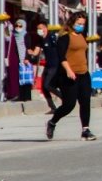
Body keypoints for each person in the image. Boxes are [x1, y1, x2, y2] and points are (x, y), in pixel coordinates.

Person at [46, 12, 96, 141]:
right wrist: (68, 70)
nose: (81, 26)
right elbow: (61, 56)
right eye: (79, 24)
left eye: (83, 24)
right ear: (72, 23)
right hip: (69, 75)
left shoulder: (82, 36)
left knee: (85, 102)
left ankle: (85, 130)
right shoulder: (65, 37)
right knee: (69, 105)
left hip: (83, 73)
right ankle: (52, 122)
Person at [39, 22, 60, 113]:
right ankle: (52, 107)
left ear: (45, 28)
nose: (39, 30)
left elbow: (58, 48)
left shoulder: (51, 37)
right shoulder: (41, 39)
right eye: (38, 29)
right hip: (47, 65)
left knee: (47, 85)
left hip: (54, 64)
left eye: (40, 28)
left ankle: (64, 98)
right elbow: (36, 51)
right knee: (44, 87)